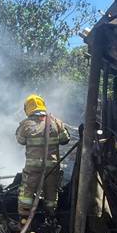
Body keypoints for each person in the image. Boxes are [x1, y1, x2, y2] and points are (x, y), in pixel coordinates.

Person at [15, 94, 70, 223]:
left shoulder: (25, 125)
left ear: (28, 108)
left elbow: (20, 141)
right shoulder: (56, 122)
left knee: (27, 192)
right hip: (52, 166)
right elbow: (65, 140)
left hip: (32, 167)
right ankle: (50, 217)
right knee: (51, 192)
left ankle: (24, 219)